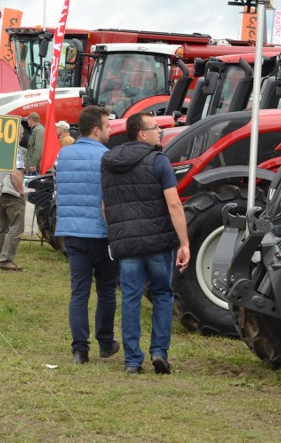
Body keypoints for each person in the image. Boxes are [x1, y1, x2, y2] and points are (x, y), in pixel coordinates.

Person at [101, 112, 190, 375]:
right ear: (142, 133)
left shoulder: (108, 162)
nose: (160, 131)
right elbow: (174, 204)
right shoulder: (158, 161)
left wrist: (117, 233)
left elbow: (106, 207)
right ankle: (159, 352)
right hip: (158, 242)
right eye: (155, 127)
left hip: (126, 243)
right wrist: (184, 242)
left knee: (131, 297)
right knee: (162, 294)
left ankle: (132, 360)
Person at [56, 106, 119, 365]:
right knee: (106, 291)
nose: (109, 130)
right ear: (96, 129)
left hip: (72, 231)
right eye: (107, 126)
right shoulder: (107, 157)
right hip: (102, 234)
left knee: (79, 292)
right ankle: (105, 343)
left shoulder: (64, 154)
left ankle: (80, 349)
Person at [0, 144, 26, 271]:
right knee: (16, 227)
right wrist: (21, 192)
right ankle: (5, 259)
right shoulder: (14, 148)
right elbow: (16, 173)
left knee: (0, 227)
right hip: (11, 192)